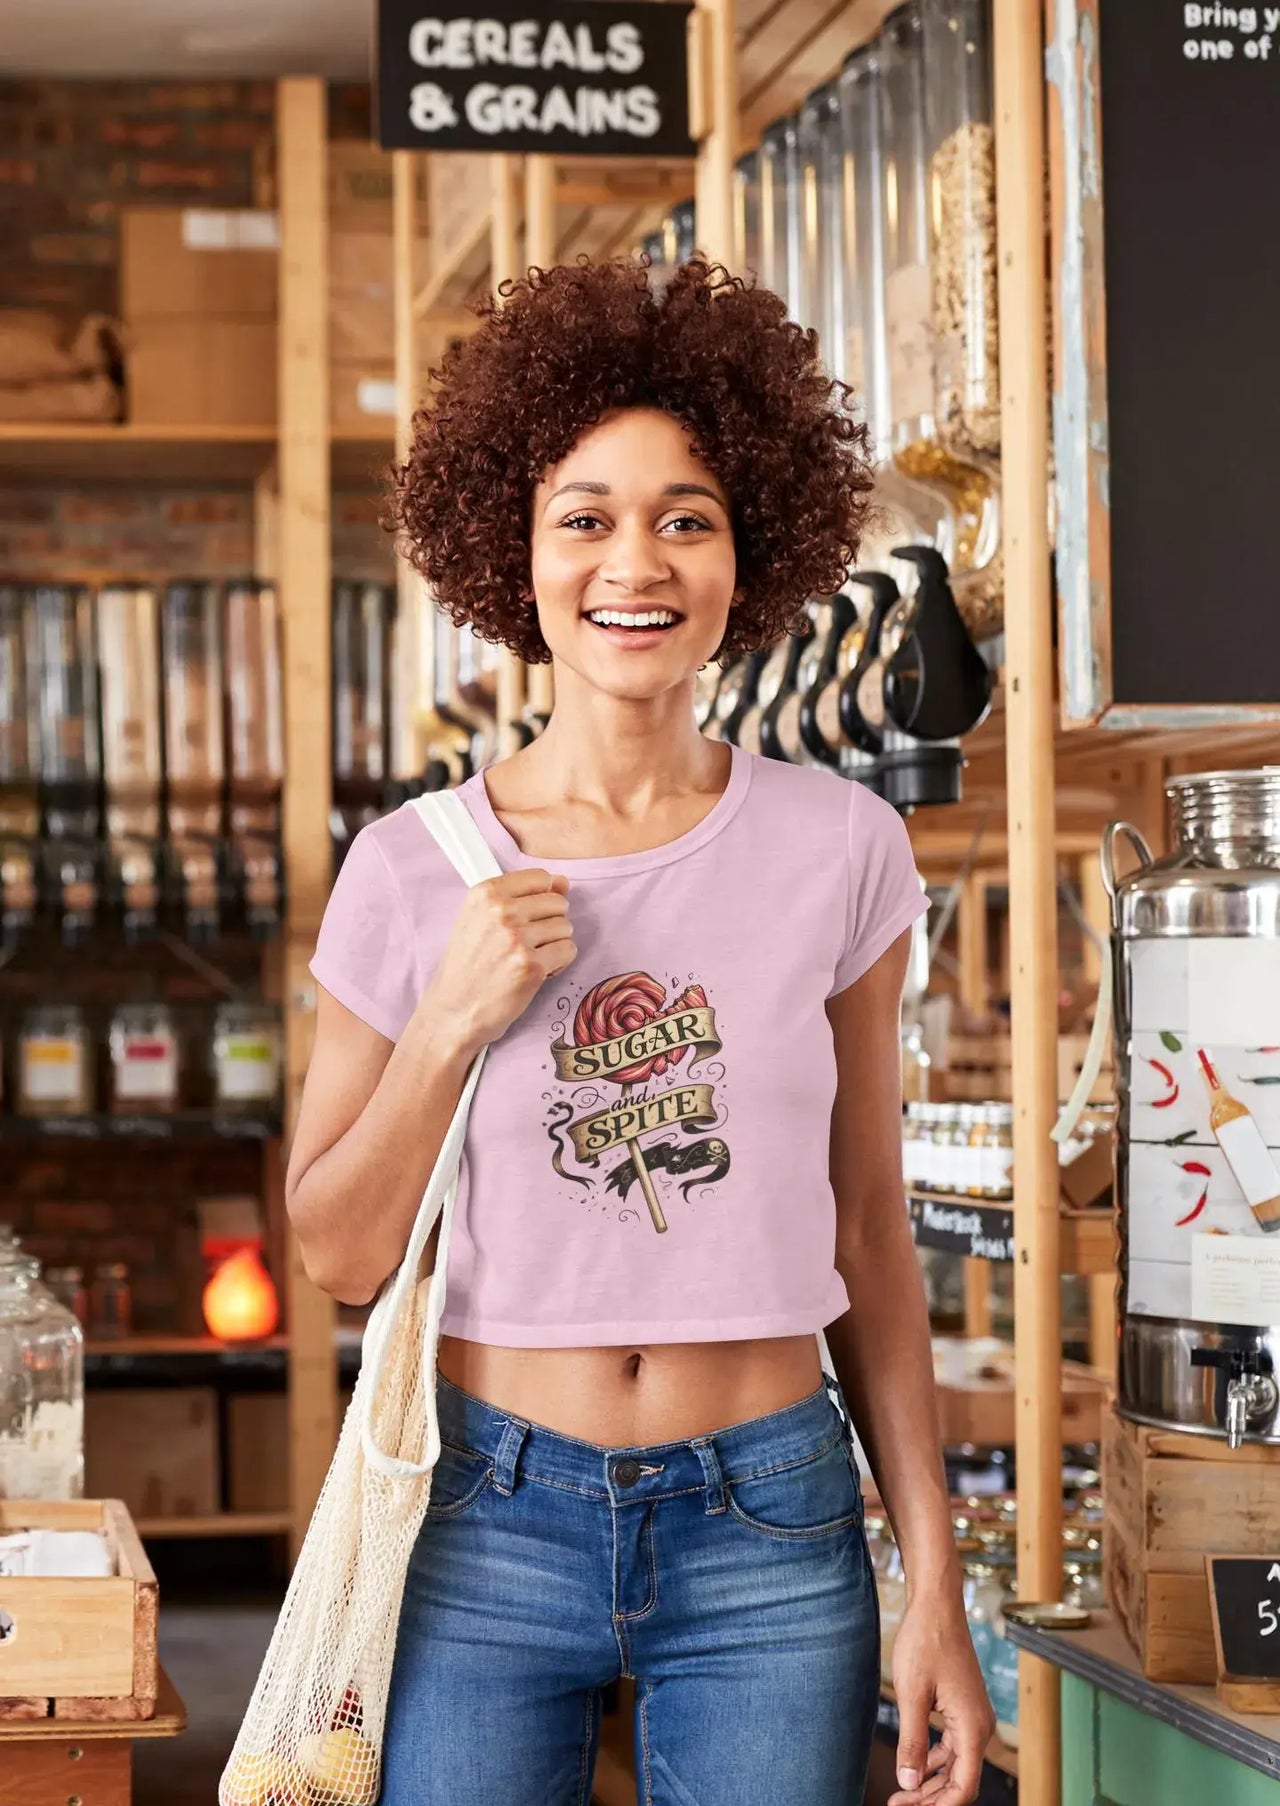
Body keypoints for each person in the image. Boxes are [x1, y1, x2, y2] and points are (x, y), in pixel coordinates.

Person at [288, 257, 993, 1806]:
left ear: (752, 554)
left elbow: (872, 1228)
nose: (639, 560)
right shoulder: (412, 868)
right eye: (586, 515)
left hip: (772, 1521)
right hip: (487, 1512)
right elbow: (337, 1252)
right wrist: (446, 1029)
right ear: (512, 549)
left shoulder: (845, 846)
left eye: (688, 516)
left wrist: (930, 1576)